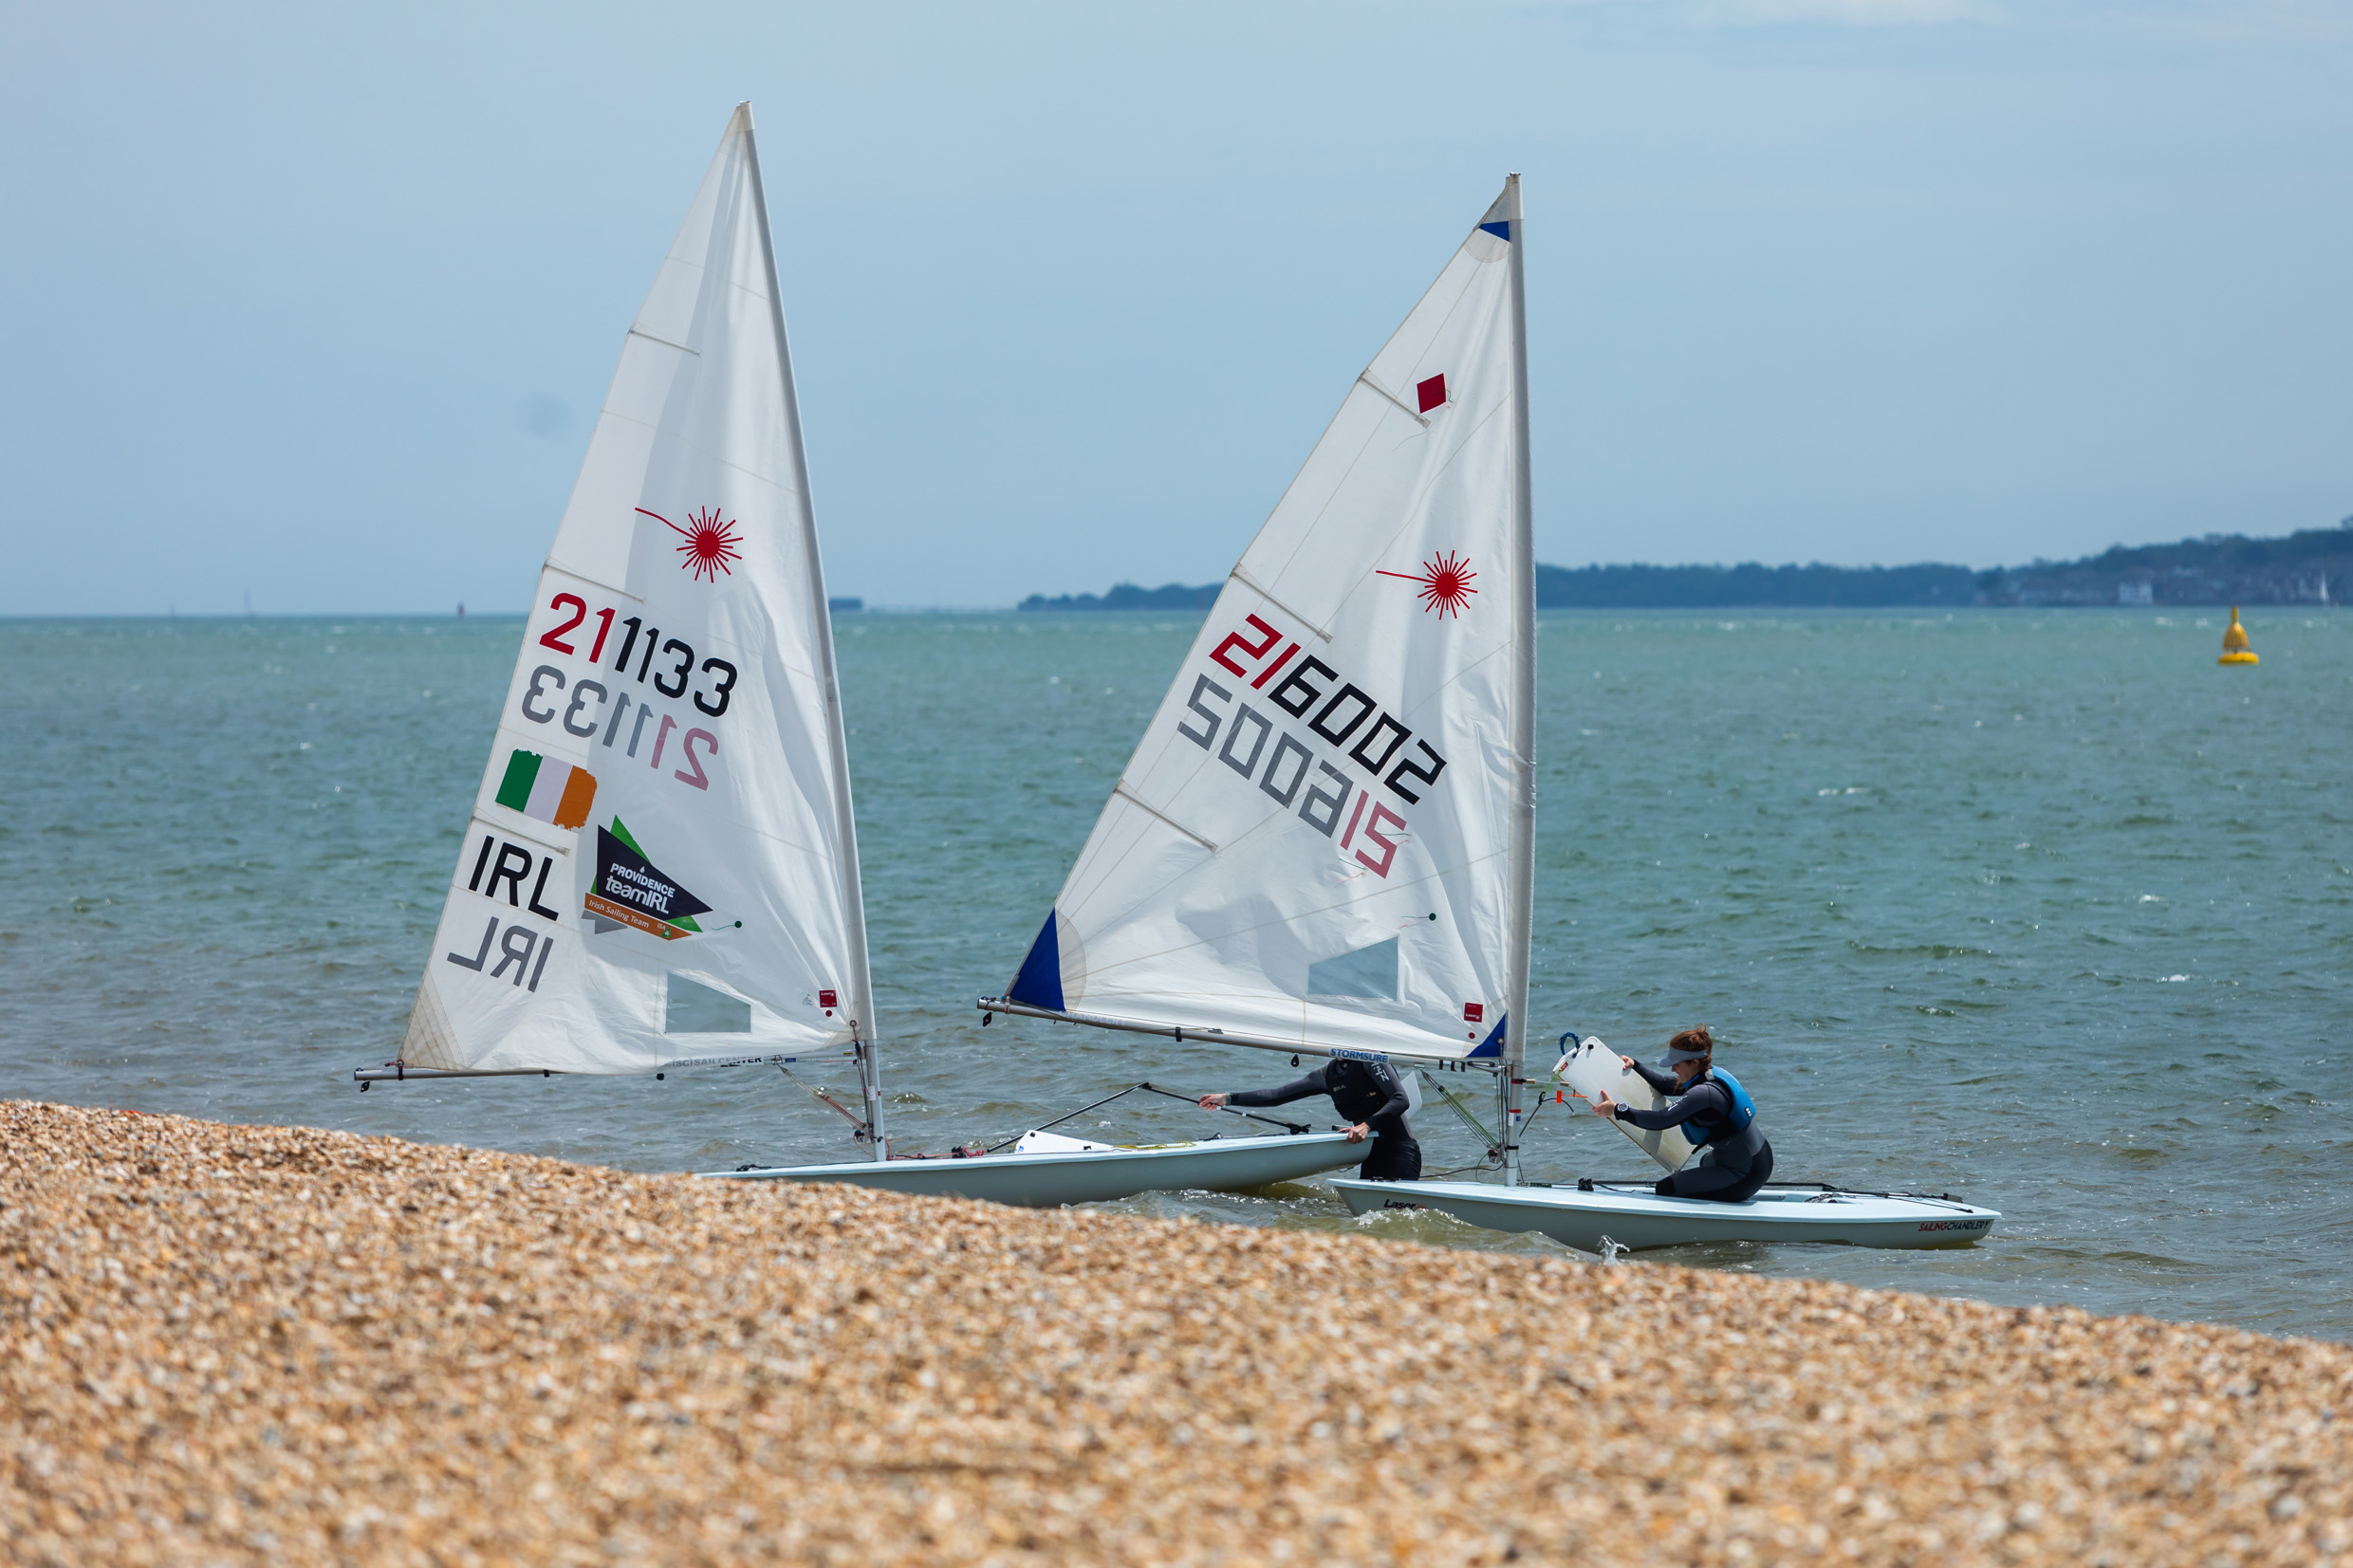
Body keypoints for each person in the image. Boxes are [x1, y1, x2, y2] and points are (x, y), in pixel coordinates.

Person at [1590, 1026, 1772, 1203]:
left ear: (1694, 1062)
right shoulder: (1706, 1076)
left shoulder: (1703, 1093)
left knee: (1666, 1189)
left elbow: (1661, 1120)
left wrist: (1616, 1110)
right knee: (1705, 1163)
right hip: (1755, 1157)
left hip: (1746, 1172)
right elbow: (1663, 1084)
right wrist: (1635, 1065)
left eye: (1676, 1064)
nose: (1672, 1069)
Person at [1198, 1057, 1421, 1181]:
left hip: (1401, 1151)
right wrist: (1226, 1099)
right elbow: (1277, 1095)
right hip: (1370, 1154)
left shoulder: (1370, 1060)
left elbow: (1401, 1099)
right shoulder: (1327, 1074)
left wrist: (1366, 1125)